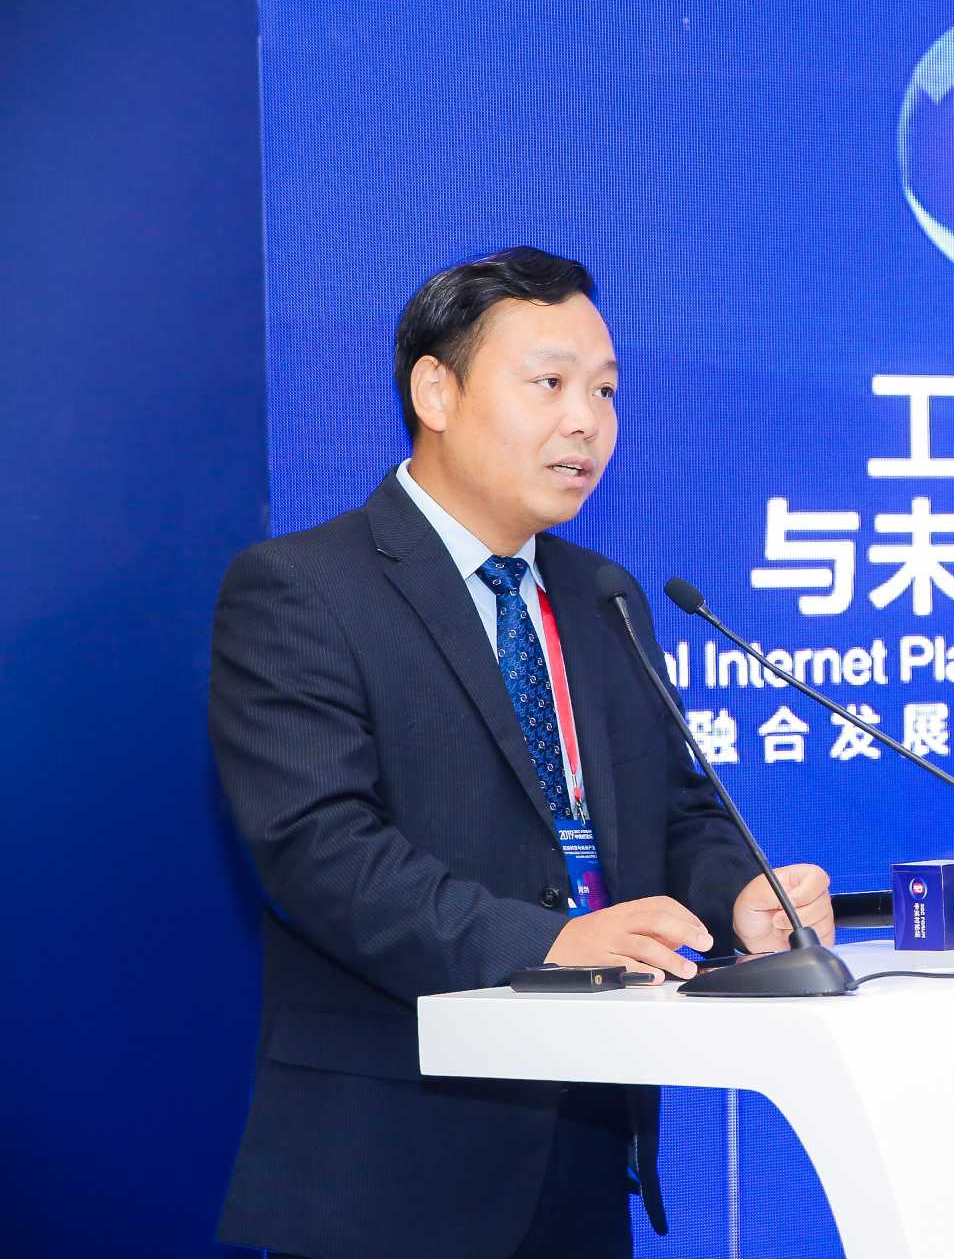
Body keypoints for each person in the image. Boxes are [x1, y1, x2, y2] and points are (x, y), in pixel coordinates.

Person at [208, 246, 833, 1258]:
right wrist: (547, 941)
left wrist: (738, 895)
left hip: (585, 1137)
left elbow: (675, 812)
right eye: (549, 383)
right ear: (436, 392)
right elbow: (319, 853)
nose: (586, 421)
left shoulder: (604, 595)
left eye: (605, 391)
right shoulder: (304, 589)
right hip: (393, 1163)